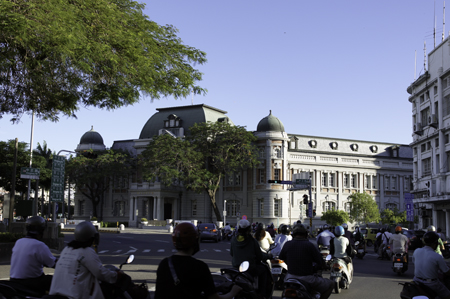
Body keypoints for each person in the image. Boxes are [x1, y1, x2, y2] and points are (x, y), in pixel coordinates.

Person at [156, 222, 241, 299]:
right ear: (195, 241)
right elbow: (214, 297)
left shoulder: (164, 264)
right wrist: (232, 292)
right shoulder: (200, 267)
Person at [49, 221, 121, 299]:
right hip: (73, 296)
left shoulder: (67, 249)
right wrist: (116, 275)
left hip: (56, 294)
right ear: (91, 238)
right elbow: (100, 272)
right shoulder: (86, 251)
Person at [279, 224, 334, 299]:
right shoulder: (309, 245)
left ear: (293, 234)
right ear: (305, 234)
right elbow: (320, 262)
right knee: (331, 284)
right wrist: (325, 266)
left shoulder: (287, 244)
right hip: (307, 278)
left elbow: (281, 257)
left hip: (290, 277)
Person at [10, 216, 56, 296]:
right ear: (42, 230)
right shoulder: (39, 245)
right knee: (57, 280)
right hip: (31, 282)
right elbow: (52, 263)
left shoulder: (19, 242)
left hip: (14, 281)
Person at [230, 219, 271, 299]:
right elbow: (259, 256)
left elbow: (231, 253)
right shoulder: (252, 241)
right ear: (249, 229)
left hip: (236, 269)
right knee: (264, 269)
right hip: (250, 269)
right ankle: (262, 294)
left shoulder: (234, 240)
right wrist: (268, 256)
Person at [413, 231, 450, 299]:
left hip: (417, 281)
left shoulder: (416, 251)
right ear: (435, 244)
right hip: (431, 284)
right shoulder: (437, 256)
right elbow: (446, 271)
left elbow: (414, 262)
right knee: (448, 295)